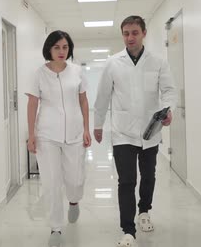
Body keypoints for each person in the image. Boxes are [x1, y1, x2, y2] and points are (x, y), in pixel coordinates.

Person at [93, 16, 178, 247]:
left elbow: (169, 90)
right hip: (122, 132)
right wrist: (98, 124)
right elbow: (102, 97)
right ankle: (128, 230)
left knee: (148, 177)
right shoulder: (113, 63)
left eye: (134, 33)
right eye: (126, 33)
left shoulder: (158, 62)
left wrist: (167, 111)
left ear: (144, 33)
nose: (130, 37)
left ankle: (144, 211)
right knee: (126, 181)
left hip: (151, 130)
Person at [26, 30, 91, 247]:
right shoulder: (39, 74)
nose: (61, 51)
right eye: (57, 47)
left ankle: (74, 201)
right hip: (47, 134)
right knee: (51, 182)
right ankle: (55, 227)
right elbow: (32, 104)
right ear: (49, 49)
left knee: (75, 178)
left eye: (65, 47)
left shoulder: (77, 72)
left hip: (74, 132)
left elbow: (83, 101)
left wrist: (86, 128)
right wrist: (31, 135)